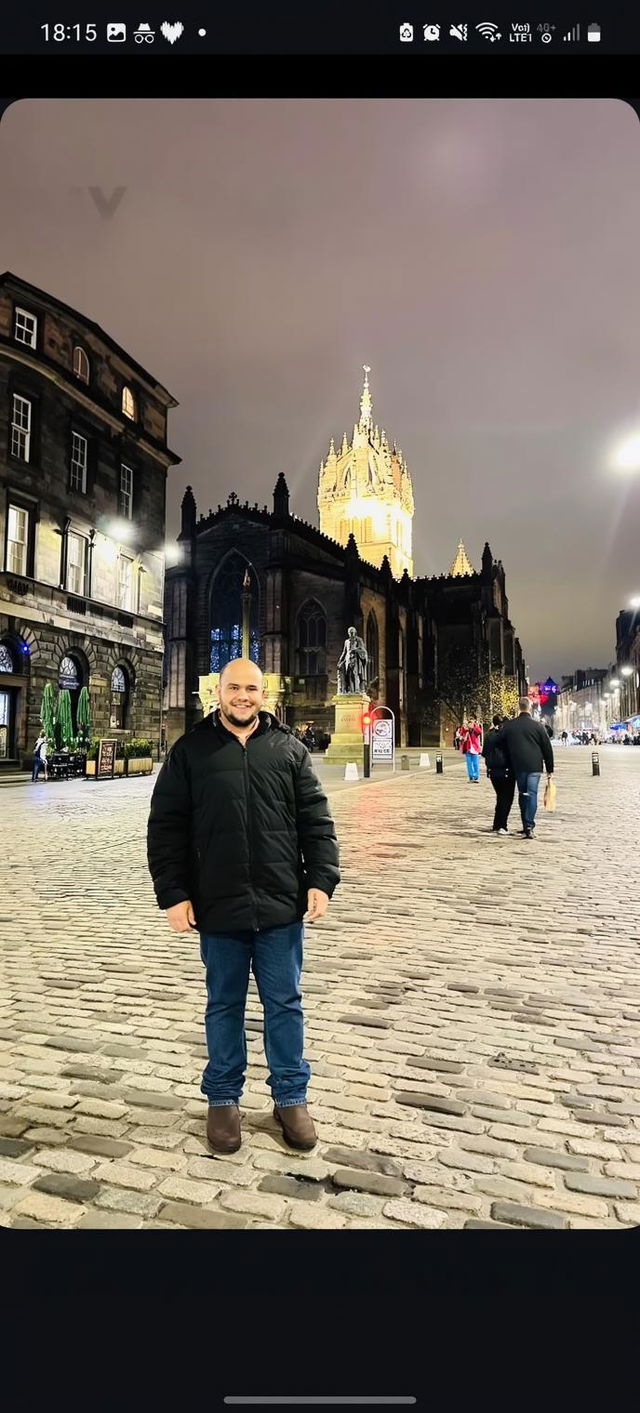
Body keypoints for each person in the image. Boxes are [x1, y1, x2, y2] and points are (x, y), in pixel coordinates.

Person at [147, 657, 340, 1156]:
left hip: (279, 903)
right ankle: (224, 1098)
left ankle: (291, 1097)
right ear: (218, 692)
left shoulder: (290, 750)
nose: (243, 696)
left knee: (285, 1004)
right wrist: (173, 893)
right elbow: (165, 828)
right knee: (224, 1005)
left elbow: (315, 822)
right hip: (218, 904)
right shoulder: (189, 751)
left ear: (264, 693)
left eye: (252, 688)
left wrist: (320, 880)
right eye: (234, 687)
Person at [494, 697, 554, 840]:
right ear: (529, 707)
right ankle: (529, 825)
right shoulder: (538, 726)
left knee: (523, 793)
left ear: (519, 707)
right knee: (532, 794)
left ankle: (525, 823)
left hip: (518, 765)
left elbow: (497, 741)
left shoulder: (510, 725)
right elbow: (547, 748)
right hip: (534, 766)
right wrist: (550, 769)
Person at [482, 714, 515, 834]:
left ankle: (497, 824)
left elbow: (484, 752)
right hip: (506, 770)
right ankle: (502, 825)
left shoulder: (488, 735)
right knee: (506, 798)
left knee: (500, 797)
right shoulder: (506, 735)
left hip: (492, 770)